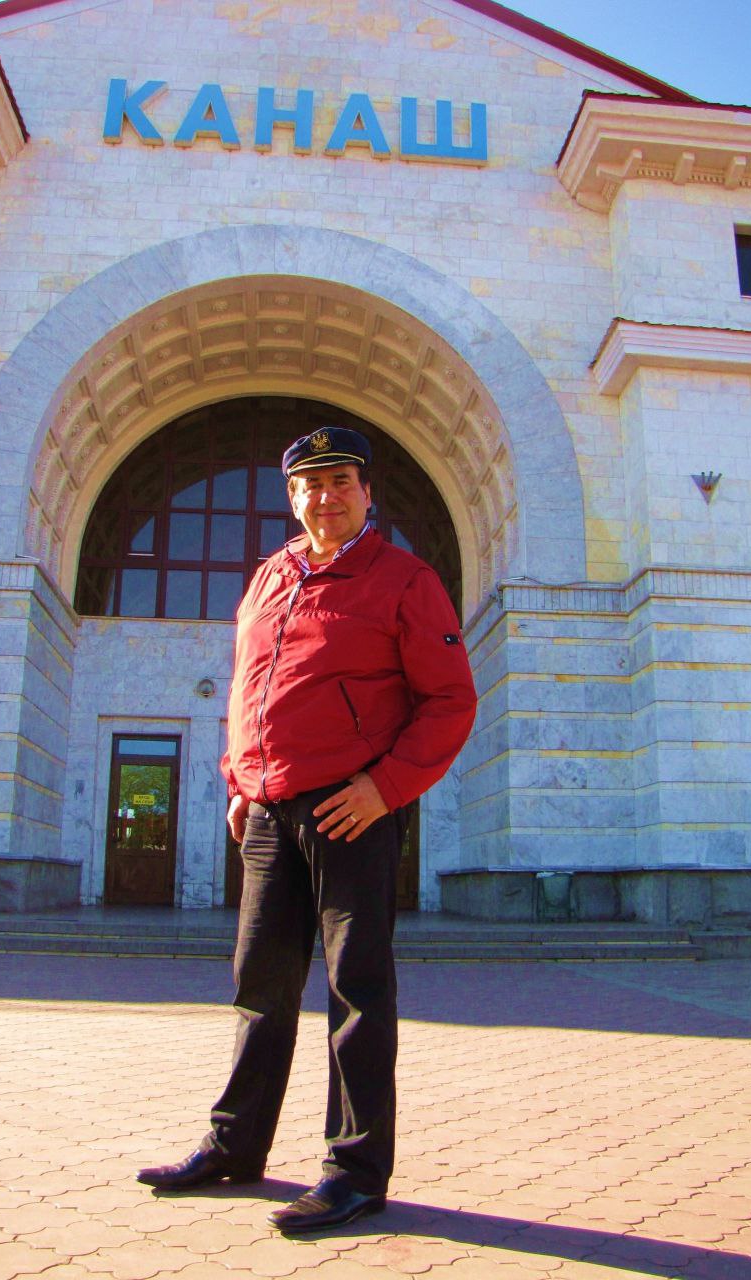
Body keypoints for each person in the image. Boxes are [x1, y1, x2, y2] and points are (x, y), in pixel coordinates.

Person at [137, 425, 476, 1233]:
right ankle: (235, 1146)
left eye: (340, 482)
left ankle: (354, 1172)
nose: (325, 497)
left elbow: (450, 700)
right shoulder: (270, 576)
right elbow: (248, 687)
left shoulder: (405, 579)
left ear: (367, 494)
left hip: (350, 809)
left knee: (358, 991)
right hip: (268, 809)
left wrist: (385, 788)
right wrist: (238, 780)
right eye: (310, 485)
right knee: (259, 985)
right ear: (291, 498)